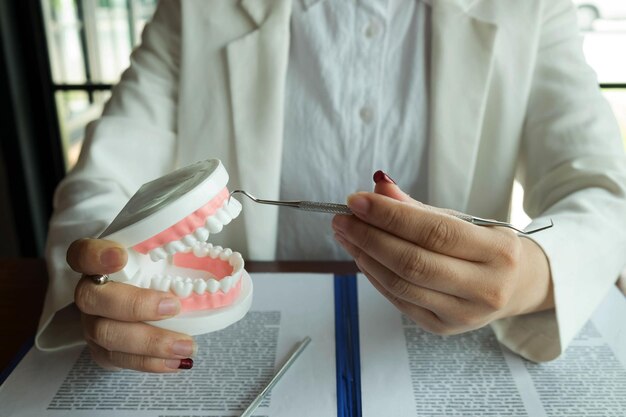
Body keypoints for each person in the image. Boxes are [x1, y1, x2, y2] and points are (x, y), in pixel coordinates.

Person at [37, 0, 626, 373]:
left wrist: (535, 271)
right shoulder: (193, 11)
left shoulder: (534, 10)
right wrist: (103, 276)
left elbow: (601, 189)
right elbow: (103, 182)